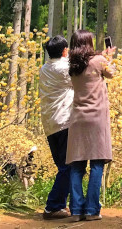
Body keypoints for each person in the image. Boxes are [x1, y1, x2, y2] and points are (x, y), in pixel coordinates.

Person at [66, 29, 114, 222]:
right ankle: (92, 210)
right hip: (97, 118)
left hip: (78, 118)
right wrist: (108, 57)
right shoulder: (98, 61)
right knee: (96, 163)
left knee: (77, 165)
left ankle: (76, 210)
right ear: (88, 43)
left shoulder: (73, 65)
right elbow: (111, 74)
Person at [39, 35, 74, 220]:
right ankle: (53, 206)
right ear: (63, 51)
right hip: (64, 123)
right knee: (67, 166)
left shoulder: (44, 69)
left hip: (50, 125)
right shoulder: (64, 68)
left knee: (63, 166)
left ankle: (59, 204)